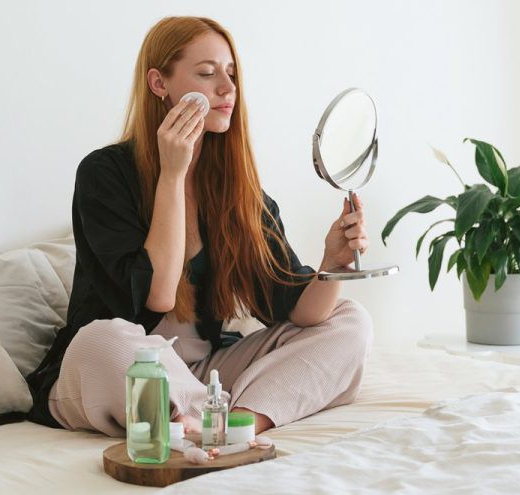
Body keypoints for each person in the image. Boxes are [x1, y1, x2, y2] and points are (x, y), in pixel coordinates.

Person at [21, 16, 373, 437]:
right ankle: (199, 419)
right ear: (159, 84)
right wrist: (172, 176)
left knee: (351, 320)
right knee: (104, 338)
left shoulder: (240, 192)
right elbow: (157, 296)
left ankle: (237, 423)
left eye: (231, 74)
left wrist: (332, 261)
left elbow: (302, 311)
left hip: (208, 374)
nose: (226, 89)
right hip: (114, 367)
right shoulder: (104, 173)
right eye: (207, 74)